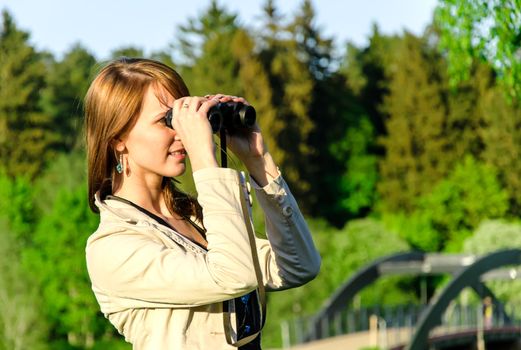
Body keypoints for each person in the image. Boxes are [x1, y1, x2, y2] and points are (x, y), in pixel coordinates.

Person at [84, 57, 321, 350]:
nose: (183, 133)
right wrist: (204, 159)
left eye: (184, 119)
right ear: (118, 138)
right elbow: (234, 276)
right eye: (166, 121)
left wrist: (258, 161)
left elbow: (299, 266)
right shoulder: (113, 247)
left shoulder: (198, 219)